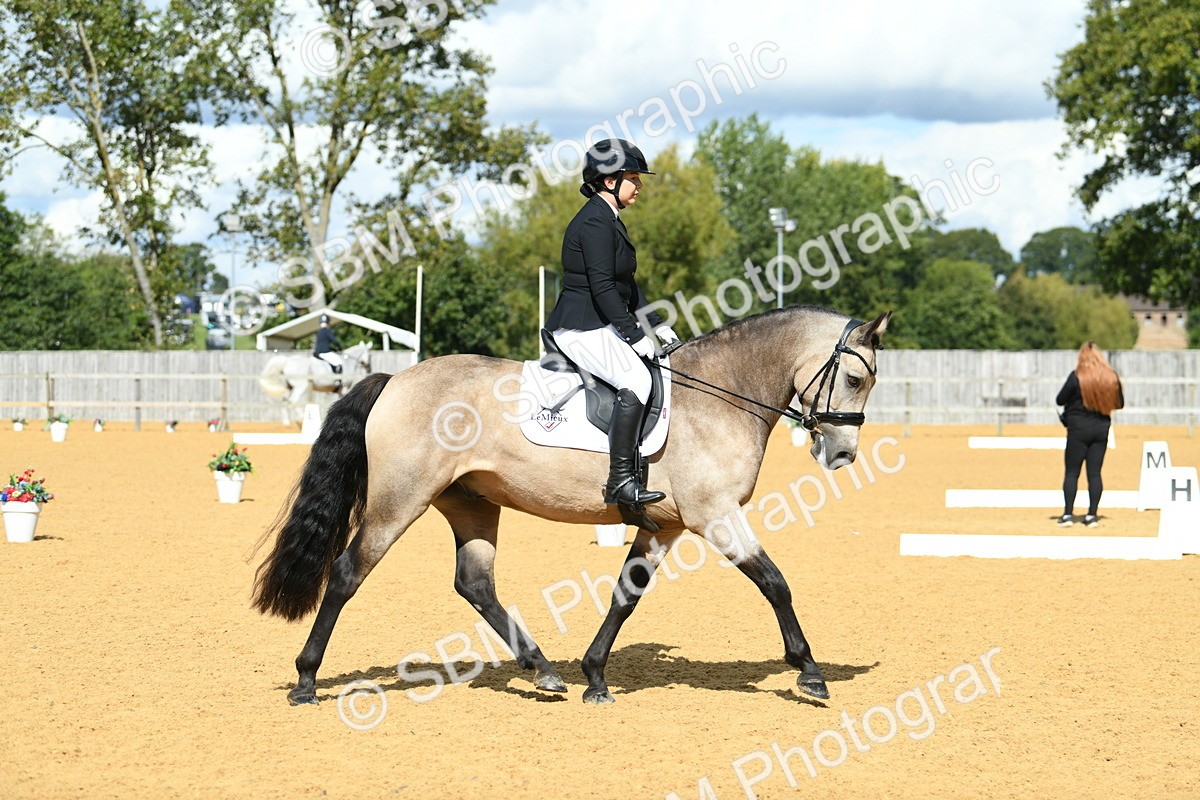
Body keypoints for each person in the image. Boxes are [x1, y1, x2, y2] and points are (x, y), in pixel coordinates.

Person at [544, 138, 678, 508]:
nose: (640, 186)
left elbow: (626, 286)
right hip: (580, 327)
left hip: (598, 324)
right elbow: (603, 288)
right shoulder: (593, 223)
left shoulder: (608, 220)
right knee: (635, 378)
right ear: (609, 181)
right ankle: (620, 480)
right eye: (633, 178)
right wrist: (635, 335)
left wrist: (656, 323)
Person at [1055, 342, 1124, 527]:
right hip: (1101, 428)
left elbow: (1059, 399)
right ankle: (1092, 515)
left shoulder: (1077, 377)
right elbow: (1119, 404)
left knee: (1072, 472)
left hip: (1078, 429)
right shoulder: (1110, 377)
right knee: (1095, 474)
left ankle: (1068, 515)